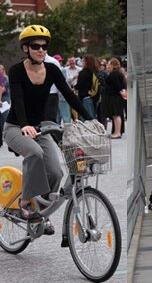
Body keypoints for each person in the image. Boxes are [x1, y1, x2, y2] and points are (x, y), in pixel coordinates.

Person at [4, 25, 94, 228]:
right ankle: (25, 203)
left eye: (45, 46)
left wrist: (90, 118)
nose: (41, 50)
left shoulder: (52, 69)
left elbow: (69, 95)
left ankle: (39, 215)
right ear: (25, 48)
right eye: (36, 46)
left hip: (39, 128)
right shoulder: (17, 71)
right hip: (16, 128)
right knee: (35, 153)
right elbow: (17, 100)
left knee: (56, 172)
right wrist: (25, 124)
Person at [101, 58, 126, 138]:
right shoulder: (116, 73)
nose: (107, 66)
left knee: (116, 115)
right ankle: (116, 131)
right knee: (116, 115)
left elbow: (117, 86)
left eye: (109, 64)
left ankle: (117, 132)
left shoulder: (114, 74)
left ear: (113, 65)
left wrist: (121, 92)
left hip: (115, 97)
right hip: (115, 97)